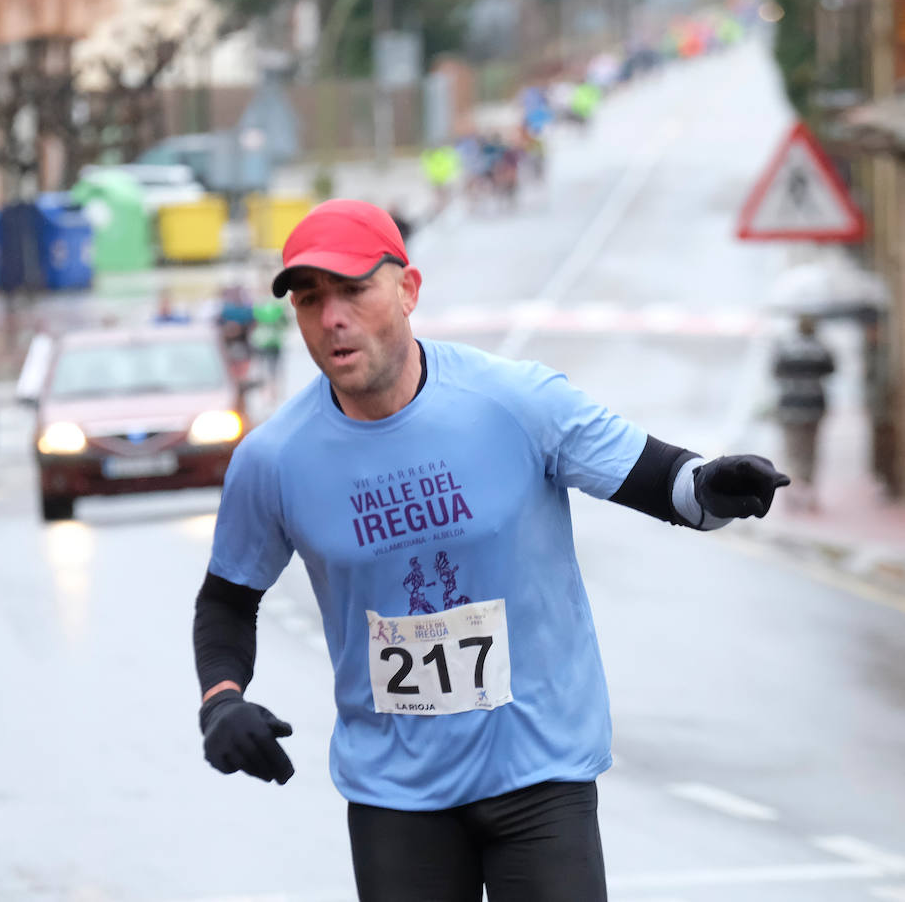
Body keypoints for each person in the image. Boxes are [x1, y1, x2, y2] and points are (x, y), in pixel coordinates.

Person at [191, 200, 790, 901]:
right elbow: (228, 599)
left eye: (353, 291)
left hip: (540, 776)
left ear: (408, 289)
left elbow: (670, 485)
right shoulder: (274, 459)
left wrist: (715, 486)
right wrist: (222, 702)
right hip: (396, 793)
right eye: (310, 299)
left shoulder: (515, 401)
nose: (331, 319)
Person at [772, 314, 835, 509]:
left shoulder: (785, 347)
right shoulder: (821, 348)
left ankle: (791, 493)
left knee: (792, 451)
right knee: (811, 451)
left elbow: (775, 371)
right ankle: (809, 493)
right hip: (814, 406)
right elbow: (832, 369)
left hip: (790, 407)